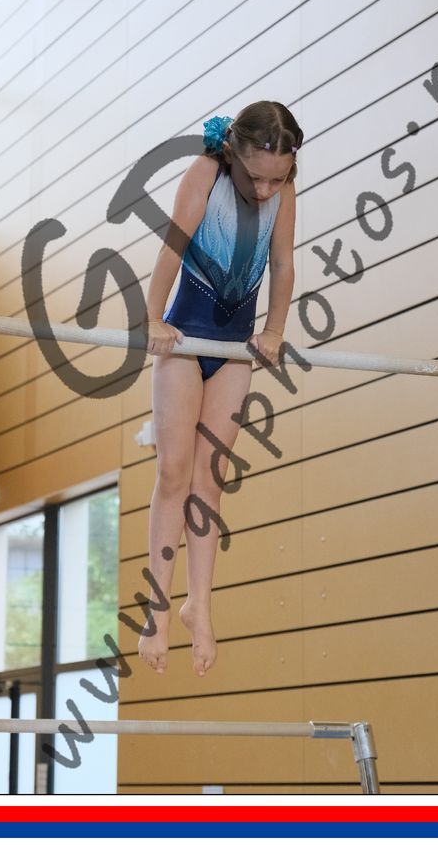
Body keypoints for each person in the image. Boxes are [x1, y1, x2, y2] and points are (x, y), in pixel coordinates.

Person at [137, 101, 302, 677]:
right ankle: (157, 610)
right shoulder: (206, 173)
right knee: (174, 473)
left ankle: (198, 607)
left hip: (233, 351)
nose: (265, 190)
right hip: (185, 340)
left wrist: (274, 331)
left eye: (276, 179)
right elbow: (172, 249)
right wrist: (152, 320)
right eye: (255, 177)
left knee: (211, 479)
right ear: (232, 153)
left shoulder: (283, 190)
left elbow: (282, 265)